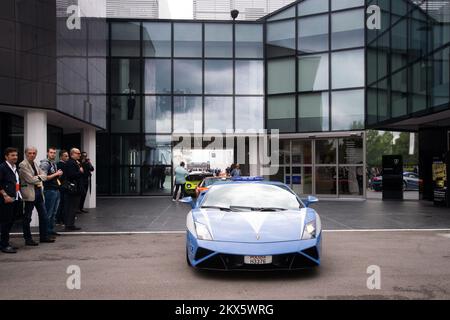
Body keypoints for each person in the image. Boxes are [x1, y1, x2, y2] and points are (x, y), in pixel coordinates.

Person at [19, 147, 62, 245]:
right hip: (29, 194)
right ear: (26, 154)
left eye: (34, 153)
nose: (32, 155)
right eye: (30, 153)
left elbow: (43, 175)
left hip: (38, 193)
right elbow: (31, 180)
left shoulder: (35, 163)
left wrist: (39, 177)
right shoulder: (23, 165)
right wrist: (40, 177)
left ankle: (44, 236)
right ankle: (28, 239)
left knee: (44, 216)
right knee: (27, 218)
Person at [0, 148, 22, 253]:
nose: (15, 157)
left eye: (16, 155)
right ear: (6, 156)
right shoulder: (3, 167)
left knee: (11, 221)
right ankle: (4, 245)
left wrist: (18, 194)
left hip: (15, 198)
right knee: (6, 222)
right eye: (12, 155)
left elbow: (16, 183)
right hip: (6, 199)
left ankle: (5, 242)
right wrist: (5, 195)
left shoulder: (15, 168)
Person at [40, 147, 62, 237]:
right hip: (49, 190)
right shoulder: (45, 164)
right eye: (51, 152)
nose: (53, 154)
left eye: (54, 153)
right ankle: (46, 232)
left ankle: (51, 229)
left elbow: (53, 176)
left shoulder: (53, 163)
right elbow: (44, 178)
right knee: (49, 212)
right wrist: (56, 174)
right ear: (47, 153)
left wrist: (58, 174)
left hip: (56, 189)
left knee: (54, 212)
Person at [64, 148, 84, 231]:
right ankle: (69, 225)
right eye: (78, 153)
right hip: (73, 189)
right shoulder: (71, 163)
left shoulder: (75, 162)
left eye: (79, 153)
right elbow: (71, 175)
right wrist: (80, 171)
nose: (79, 154)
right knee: (72, 207)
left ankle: (70, 224)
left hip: (76, 188)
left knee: (74, 207)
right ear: (72, 154)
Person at [55, 150, 69, 225]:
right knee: (62, 203)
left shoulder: (60, 164)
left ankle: (60, 219)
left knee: (62, 202)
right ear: (61, 157)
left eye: (67, 156)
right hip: (62, 186)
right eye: (65, 156)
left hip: (62, 185)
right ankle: (60, 219)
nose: (67, 157)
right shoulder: (61, 165)